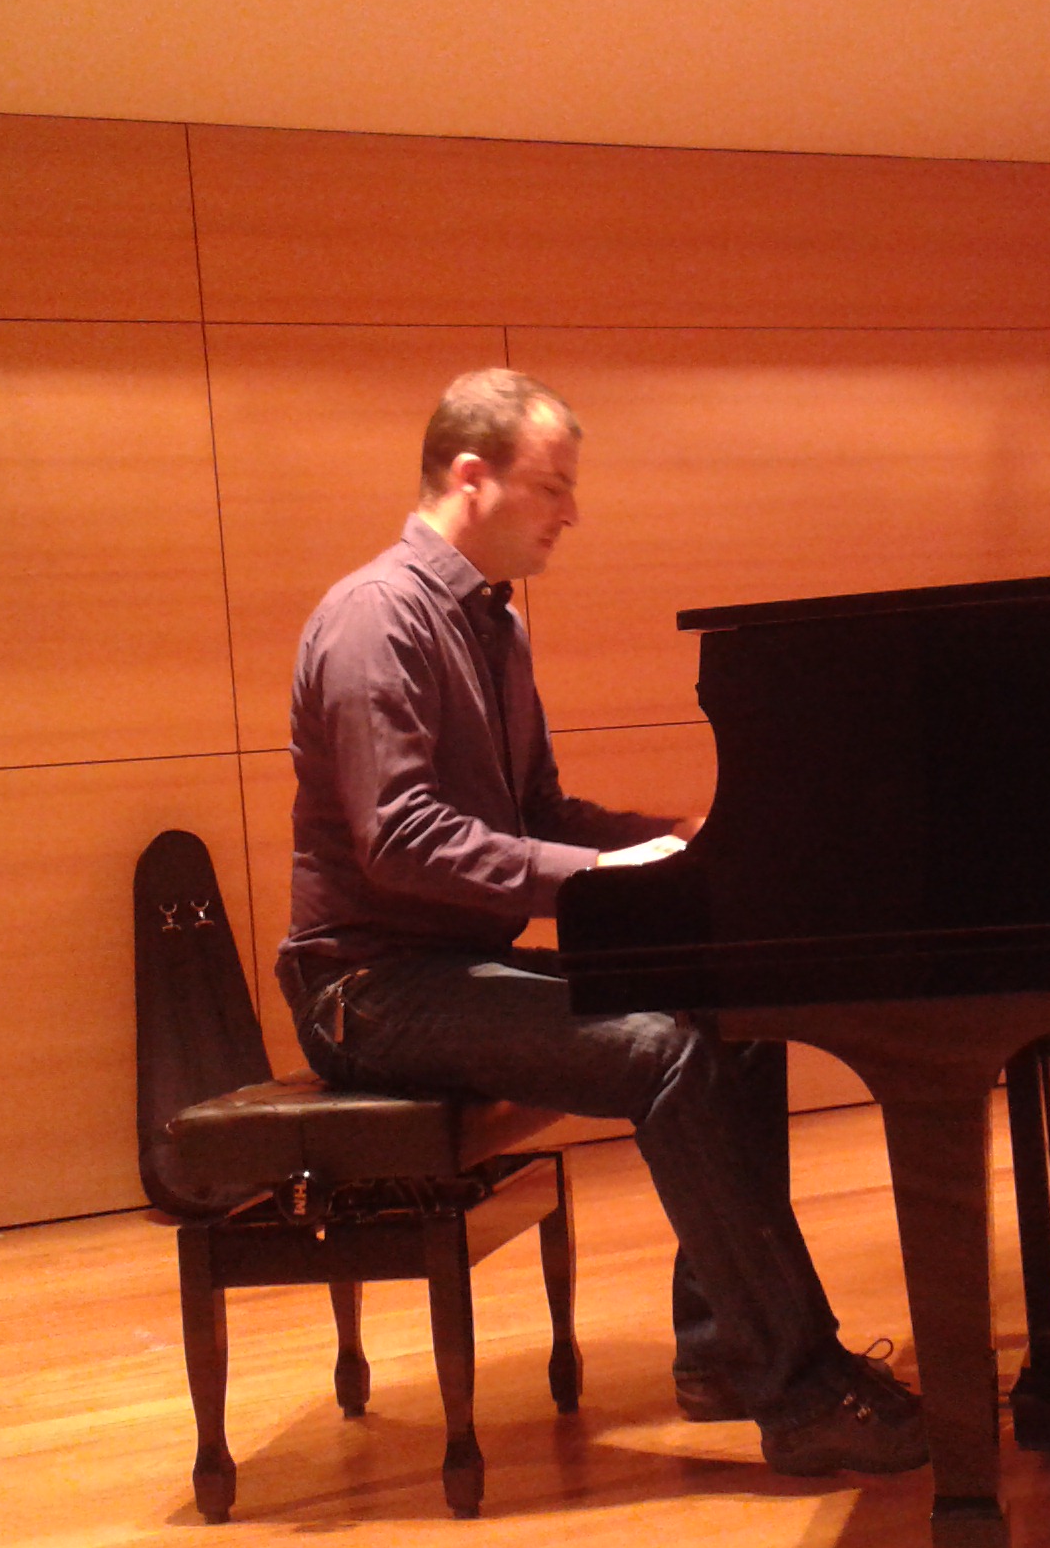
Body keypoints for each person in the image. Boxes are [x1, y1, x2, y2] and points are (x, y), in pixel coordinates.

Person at [276, 368, 927, 1476]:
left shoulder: (494, 628)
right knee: (666, 1051)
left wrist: (682, 838)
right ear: (471, 478)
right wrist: (600, 875)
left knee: (733, 1010)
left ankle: (724, 1356)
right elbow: (402, 839)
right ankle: (804, 1392)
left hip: (446, 967)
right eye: (553, 487)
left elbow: (536, 813)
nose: (571, 512)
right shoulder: (375, 619)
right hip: (368, 992)